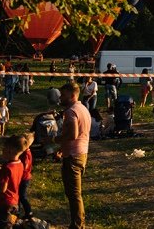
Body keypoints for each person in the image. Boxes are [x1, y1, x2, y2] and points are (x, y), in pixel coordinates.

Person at [56, 81, 91, 229]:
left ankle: (78, 225)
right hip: (81, 153)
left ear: (72, 95)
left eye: (63, 95)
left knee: (74, 194)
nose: (60, 98)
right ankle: (77, 223)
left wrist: (55, 140)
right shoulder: (82, 108)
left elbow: (73, 134)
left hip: (73, 156)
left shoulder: (70, 111)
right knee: (74, 192)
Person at [0, 136, 26, 228]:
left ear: (10, 150)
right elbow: (12, 176)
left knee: (2, 225)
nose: (2, 150)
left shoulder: (7, 167)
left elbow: (2, 189)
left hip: (5, 203)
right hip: (14, 201)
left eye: (4, 147)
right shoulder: (20, 164)